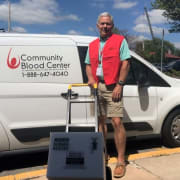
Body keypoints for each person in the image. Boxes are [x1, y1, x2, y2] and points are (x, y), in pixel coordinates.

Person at [85, 12, 131, 178]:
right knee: (100, 121)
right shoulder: (92, 44)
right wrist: (90, 78)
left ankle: (120, 161)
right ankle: (103, 154)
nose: (105, 26)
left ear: (112, 25)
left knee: (117, 121)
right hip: (97, 87)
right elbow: (88, 64)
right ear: (97, 26)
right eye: (102, 24)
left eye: (108, 24)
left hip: (113, 87)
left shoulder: (120, 41)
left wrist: (120, 84)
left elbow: (126, 62)